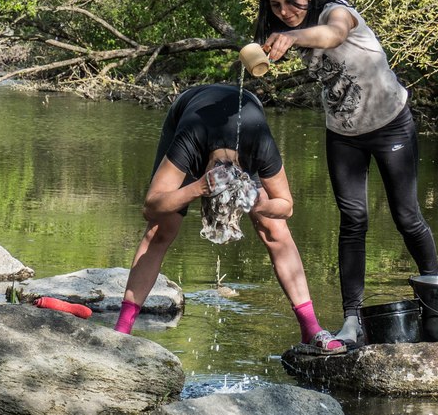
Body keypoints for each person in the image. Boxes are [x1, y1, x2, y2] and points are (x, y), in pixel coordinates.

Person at [256, 0, 438, 346]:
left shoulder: (337, 11)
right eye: (276, 6)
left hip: (391, 123)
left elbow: (333, 35)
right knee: (353, 221)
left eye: (292, 0)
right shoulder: (286, 30)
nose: (286, 11)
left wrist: (294, 37)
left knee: (407, 218)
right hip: (343, 135)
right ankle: (352, 319)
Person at [114, 83, 344, 353]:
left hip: (247, 111)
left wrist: (259, 203)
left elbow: (287, 207)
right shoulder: (189, 141)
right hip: (190, 109)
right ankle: (121, 330)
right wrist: (197, 188)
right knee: (161, 228)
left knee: (273, 228)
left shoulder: (259, 143)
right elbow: (150, 207)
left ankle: (311, 329)